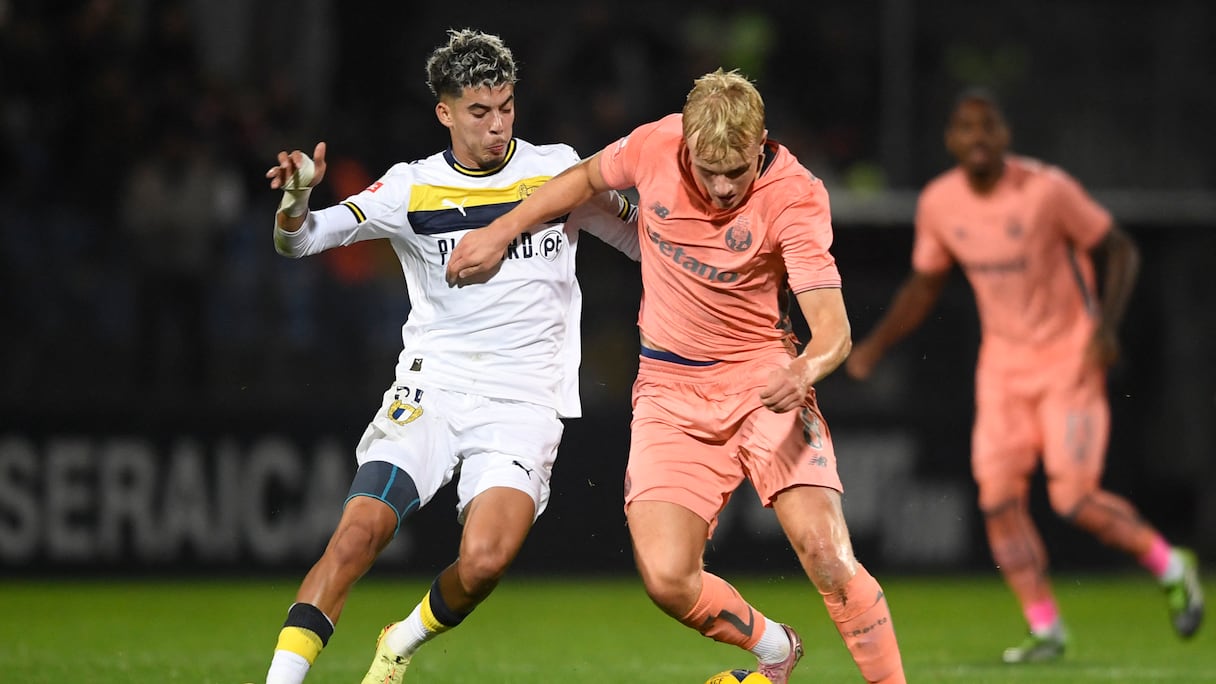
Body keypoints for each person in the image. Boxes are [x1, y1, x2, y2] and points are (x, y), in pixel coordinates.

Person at [448, 68, 905, 684]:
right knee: (666, 578)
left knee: (826, 554)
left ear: (762, 142)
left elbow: (835, 332)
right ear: (686, 144)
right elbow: (584, 178)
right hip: (668, 392)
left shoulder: (795, 196)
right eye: (708, 170)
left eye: (736, 171)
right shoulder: (654, 145)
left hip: (764, 382)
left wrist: (805, 370)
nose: (722, 187)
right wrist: (500, 231)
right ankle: (776, 650)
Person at [256, 29, 639, 684]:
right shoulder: (412, 188)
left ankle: (401, 641)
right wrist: (297, 198)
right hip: (432, 390)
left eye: (507, 108)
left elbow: (642, 242)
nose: (497, 126)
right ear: (445, 111)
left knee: (484, 562)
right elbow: (301, 242)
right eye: (479, 111)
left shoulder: (558, 171)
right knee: (356, 537)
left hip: (523, 402)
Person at [845, 88, 1205, 663]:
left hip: (1069, 362)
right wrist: (876, 346)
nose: (978, 137)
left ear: (1005, 135)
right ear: (951, 139)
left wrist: (1105, 327)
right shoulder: (940, 203)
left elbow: (1121, 251)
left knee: (1074, 498)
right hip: (1003, 371)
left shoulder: (1046, 190)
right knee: (997, 500)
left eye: (988, 126)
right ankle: (1045, 626)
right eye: (966, 128)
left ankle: (1170, 563)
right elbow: (925, 284)